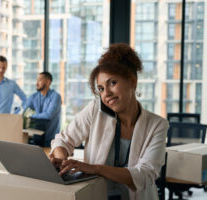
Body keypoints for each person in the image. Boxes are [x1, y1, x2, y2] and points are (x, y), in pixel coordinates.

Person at [49, 44, 168, 200]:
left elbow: (145, 175)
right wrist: (62, 161)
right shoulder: (95, 110)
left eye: (112, 83)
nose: (106, 94)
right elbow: (63, 140)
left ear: (132, 81)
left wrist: (94, 168)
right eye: (101, 88)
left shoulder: (157, 125)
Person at [23, 72, 62, 147]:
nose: (37, 83)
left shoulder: (56, 96)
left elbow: (48, 115)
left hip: (51, 139)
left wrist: (31, 116)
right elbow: (24, 109)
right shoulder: (34, 96)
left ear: (48, 82)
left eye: (40, 80)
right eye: (37, 80)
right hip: (37, 138)